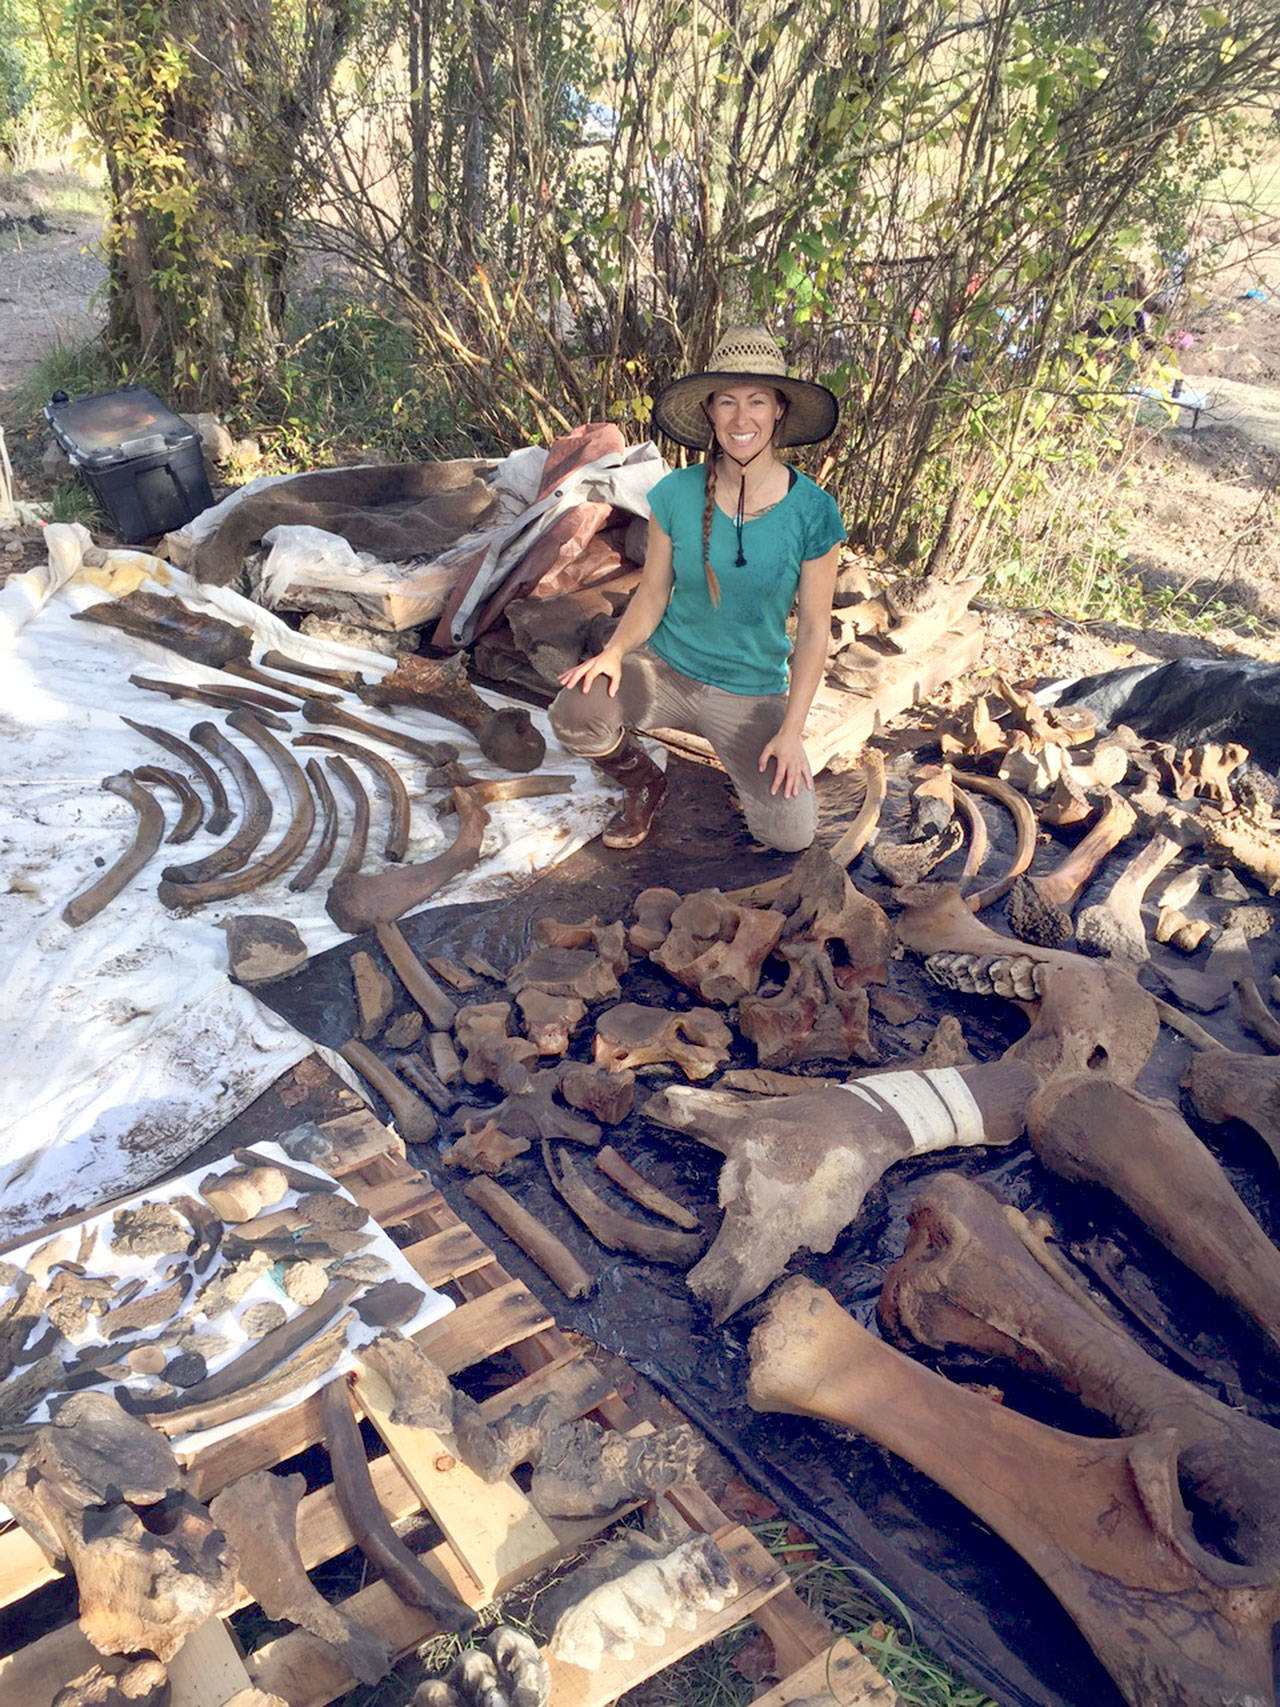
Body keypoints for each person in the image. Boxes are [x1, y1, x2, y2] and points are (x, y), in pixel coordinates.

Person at [550, 326, 845, 853]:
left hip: (750, 691)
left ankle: (745, 772)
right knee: (576, 712)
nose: (741, 417)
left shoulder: (813, 510)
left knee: (791, 837)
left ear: (779, 409)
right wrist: (615, 653)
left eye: (756, 400)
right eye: (726, 401)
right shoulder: (676, 493)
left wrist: (792, 730)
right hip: (665, 670)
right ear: (709, 411)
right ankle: (644, 782)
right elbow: (653, 592)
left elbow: (816, 629)